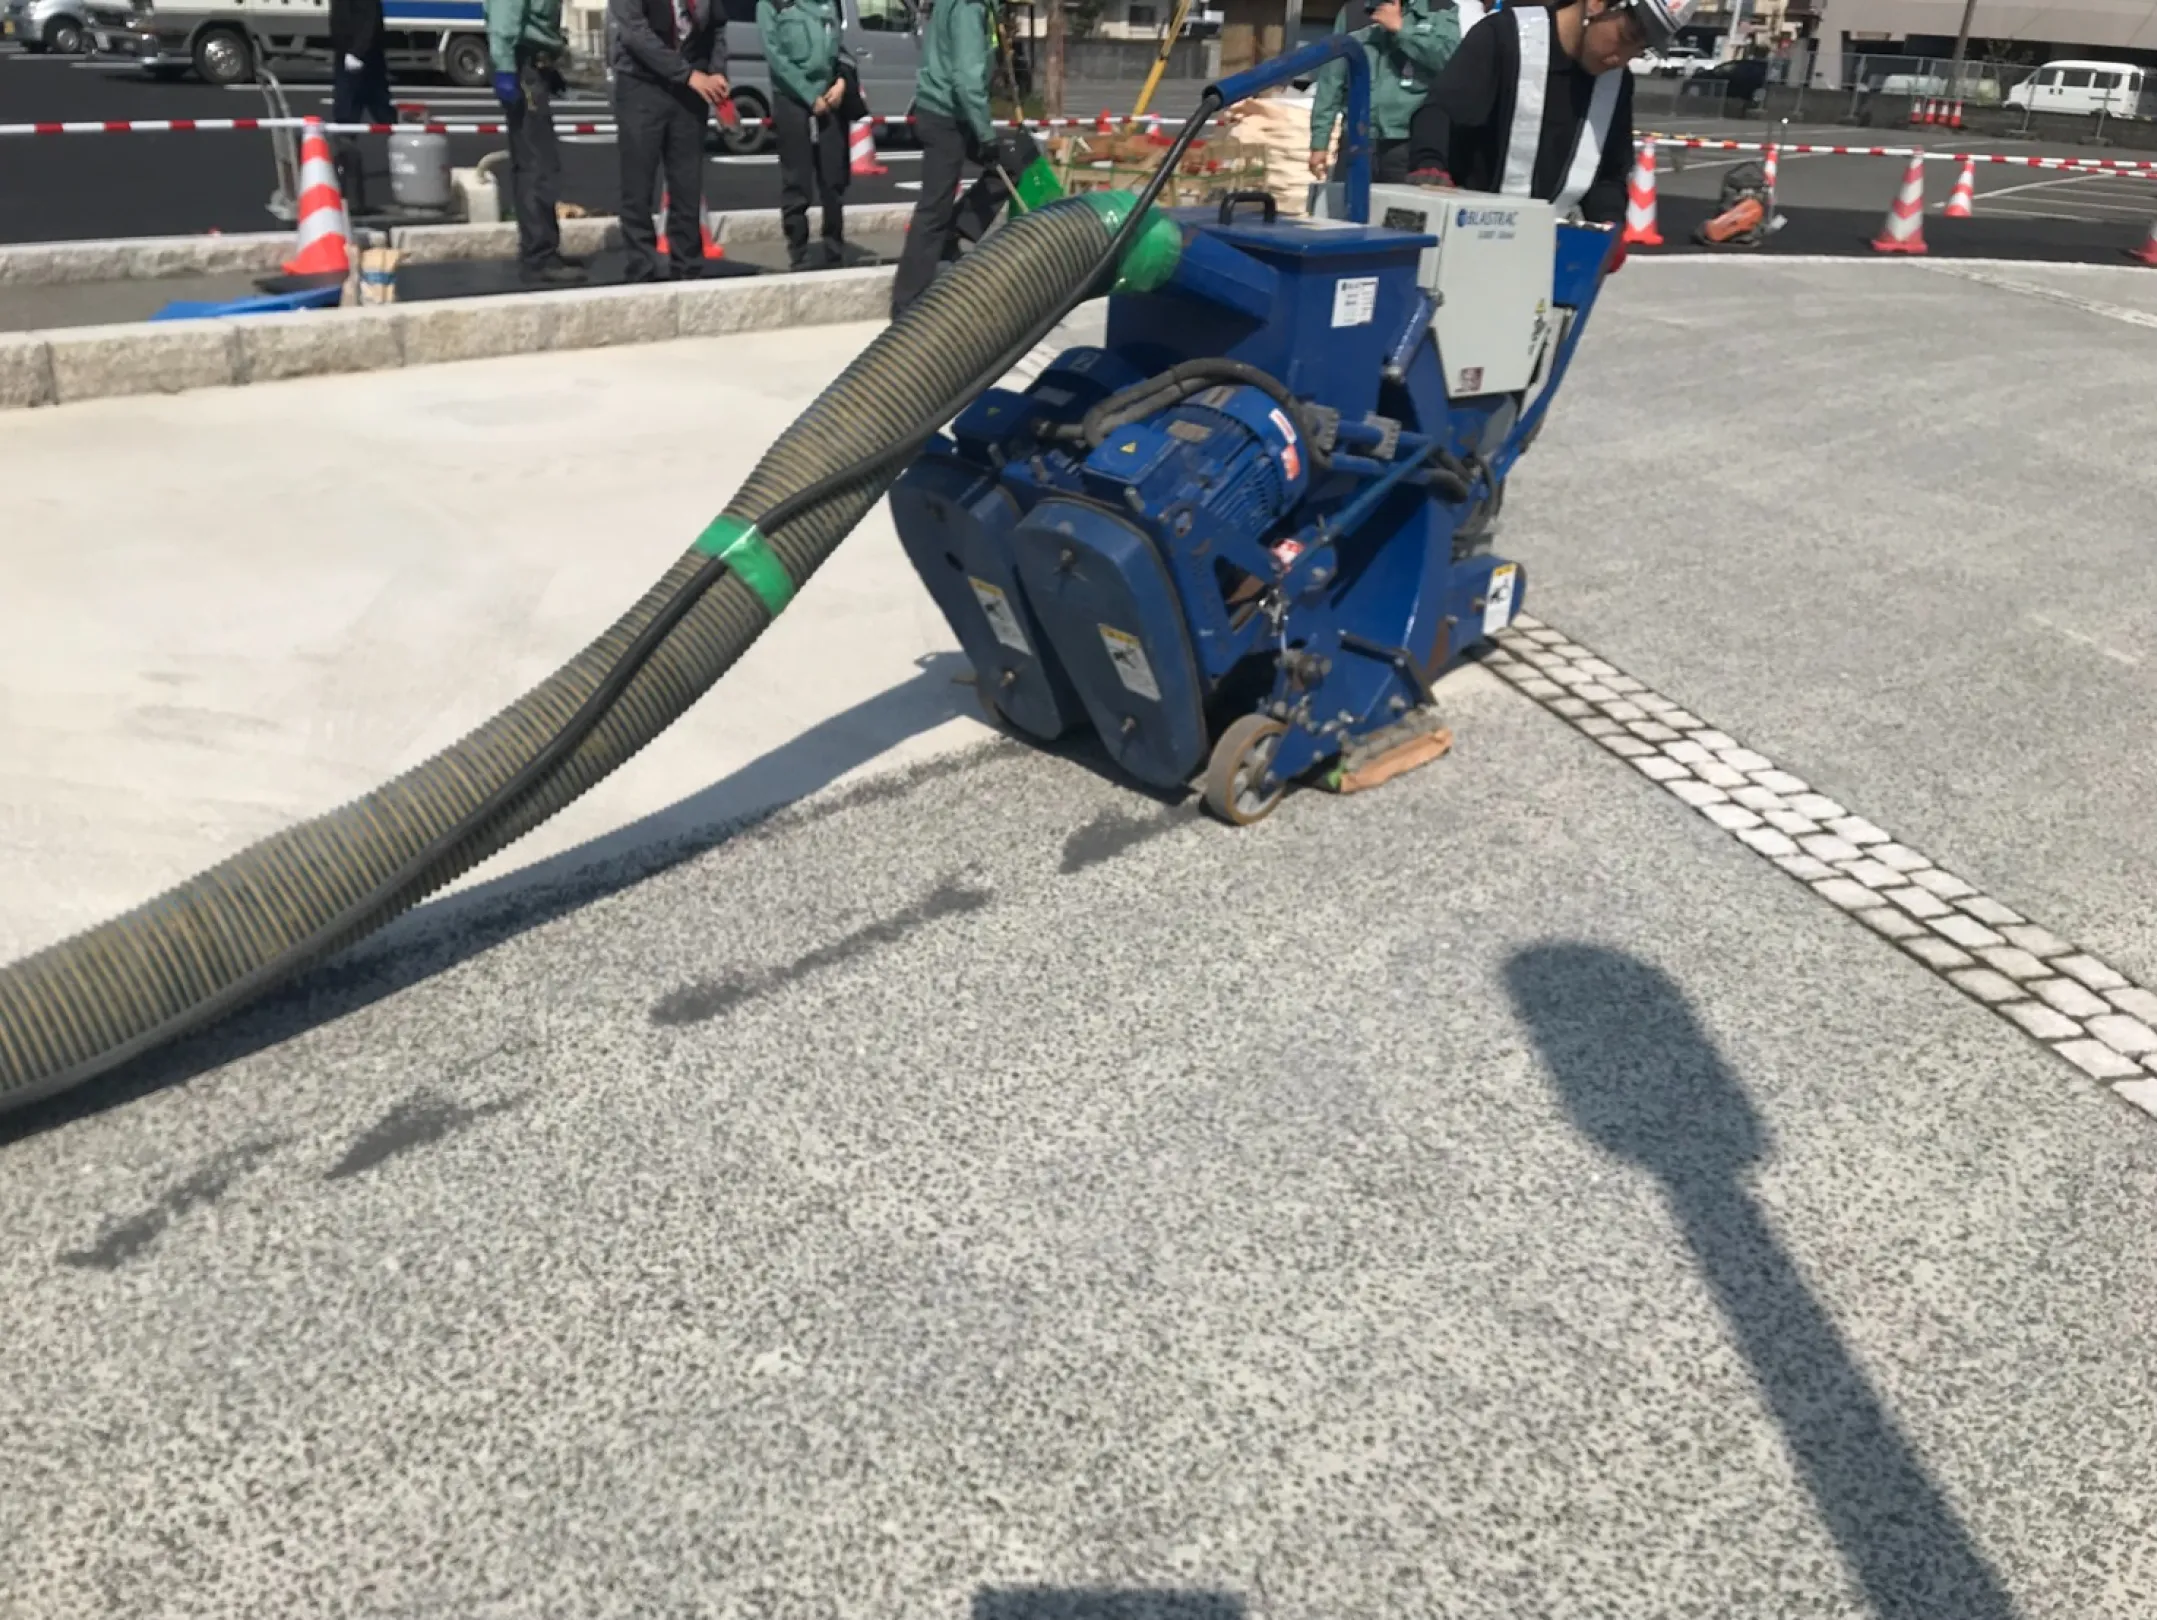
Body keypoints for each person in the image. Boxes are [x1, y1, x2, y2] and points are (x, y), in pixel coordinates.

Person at [1406, 0, 1695, 240]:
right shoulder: (1506, 36)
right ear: (1596, 4)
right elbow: (1441, 112)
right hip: (1468, 233)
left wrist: (1609, 228)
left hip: (1544, 246)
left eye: (1639, 50)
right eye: (1627, 38)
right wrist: (1430, 164)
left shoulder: (1616, 83)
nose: (1622, 59)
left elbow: (1608, 173)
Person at [889, 0, 1003, 319]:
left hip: (950, 112)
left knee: (1010, 163)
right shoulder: (967, 8)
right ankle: (906, 302)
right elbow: (966, 78)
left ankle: (954, 231)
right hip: (946, 115)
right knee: (933, 208)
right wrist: (986, 135)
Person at [610, 0, 730, 281]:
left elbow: (717, 26)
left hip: (691, 89)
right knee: (638, 182)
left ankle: (688, 263)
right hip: (641, 84)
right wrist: (687, 75)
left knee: (687, 181)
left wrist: (717, 70)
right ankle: (642, 264)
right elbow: (635, 34)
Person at [1308, 0, 1462, 186]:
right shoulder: (1354, 10)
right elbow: (1331, 81)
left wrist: (1401, 29)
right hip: (1357, 140)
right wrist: (1319, 142)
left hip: (1407, 142)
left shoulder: (1439, 8)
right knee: (1347, 202)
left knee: (1399, 204)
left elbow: (1450, 60)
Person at [487, 0, 587, 285]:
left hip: (533, 65)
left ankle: (542, 249)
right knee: (537, 164)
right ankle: (539, 256)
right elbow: (504, 18)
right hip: (522, 65)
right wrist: (505, 68)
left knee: (535, 160)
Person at [758, 0, 851, 271]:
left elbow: (840, 50)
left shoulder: (829, 4)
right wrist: (809, 95)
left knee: (833, 177)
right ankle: (799, 250)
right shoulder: (771, 5)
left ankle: (834, 248)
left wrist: (841, 81)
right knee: (797, 178)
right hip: (791, 97)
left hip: (830, 94)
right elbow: (776, 57)